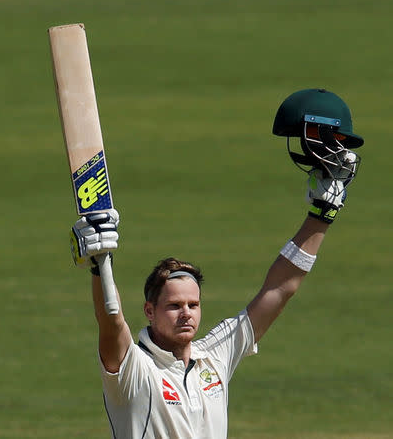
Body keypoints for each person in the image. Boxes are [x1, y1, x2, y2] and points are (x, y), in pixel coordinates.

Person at [70, 88, 364, 438]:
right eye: (174, 305)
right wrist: (98, 264)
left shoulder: (214, 357)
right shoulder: (134, 370)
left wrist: (322, 216)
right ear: (149, 311)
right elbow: (111, 321)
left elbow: (280, 288)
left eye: (193, 304)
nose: (186, 313)